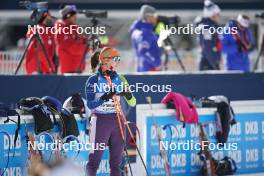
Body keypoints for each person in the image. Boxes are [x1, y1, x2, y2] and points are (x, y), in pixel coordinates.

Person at [85, 47, 136, 176]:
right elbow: (90, 105)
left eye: (119, 59)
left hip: (117, 122)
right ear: (106, 61)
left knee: (116, 163)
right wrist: (105, 97)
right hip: (100, 121)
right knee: (94, 162)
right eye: (116, 59)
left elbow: (133, 102)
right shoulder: (93, 80)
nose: (118, 62)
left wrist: (128, 94)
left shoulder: (121, 78)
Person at [55, 5, 88, 74]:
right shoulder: (62, 30)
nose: (76, 17)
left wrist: (89, 44)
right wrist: (86, 47)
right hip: (68, 70)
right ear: (68, 16)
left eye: (75, 15)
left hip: (78, 68)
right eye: (73, 15)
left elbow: (84, 43)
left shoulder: (75, 28)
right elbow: (73, 49)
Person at [129, 4, 161, 72]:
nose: (156, 18)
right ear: (148, 17)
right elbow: (143, 51)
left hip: (142, 68)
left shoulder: (138, 29)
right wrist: (157, 63)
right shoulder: (145, 32)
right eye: (154, 15)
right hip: (149, 70)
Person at [25, 9, 56, 74]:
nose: (50, 17)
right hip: (39, 70)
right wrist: (51, 67)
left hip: (43, 69)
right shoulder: (40, 30)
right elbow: (41, 52)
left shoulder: (45, 30)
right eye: (48, 15)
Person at [197, 0, 222, 70]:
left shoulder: (213, 26)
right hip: (207, 64)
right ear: (212, 15)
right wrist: (214, 64)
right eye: (218, 14)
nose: (219, 16)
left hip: (210, 62)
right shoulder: (207, 27)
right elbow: (207, 47)